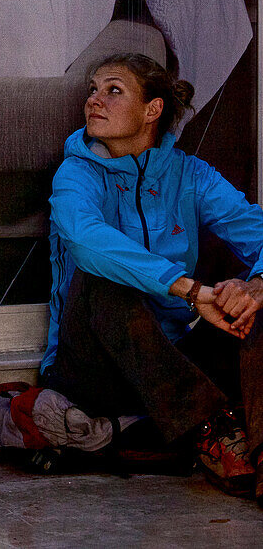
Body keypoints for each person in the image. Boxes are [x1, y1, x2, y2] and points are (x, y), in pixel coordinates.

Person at [39, 53, 263, 501]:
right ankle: (211, 426)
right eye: (92, 89)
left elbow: (258, 233)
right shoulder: (77, 173)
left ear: (152, 110)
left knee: (258, 302)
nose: (94, 100)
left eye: (112, 90)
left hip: (172, 359)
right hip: (93, 370)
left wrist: (254, 286)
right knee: (100, 276)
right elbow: (86, 241)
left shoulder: (190, 175)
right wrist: (191, 290)